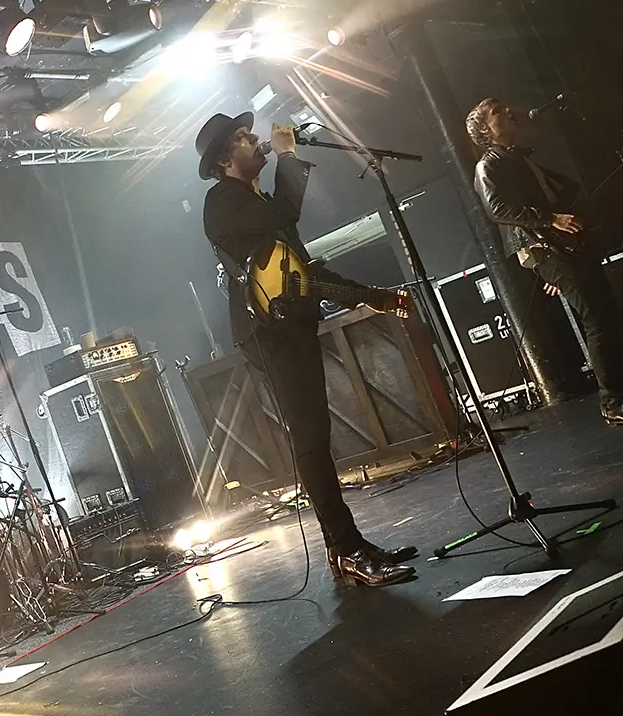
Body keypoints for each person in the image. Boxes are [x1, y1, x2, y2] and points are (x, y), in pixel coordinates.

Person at [197, 112, 417, 587]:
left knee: (316, 436)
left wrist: (375, 296)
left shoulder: (261, 206)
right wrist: (289, 156)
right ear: (223, 158)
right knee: (311, 439)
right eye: (242, 138)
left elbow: (307, 274)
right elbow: (287, 214)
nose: (255, 139)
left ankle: (345, 547)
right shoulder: (223, 202)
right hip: (268, 335)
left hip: (292, 325)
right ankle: (347, 547)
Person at [467, 98, 623, 425]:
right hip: (542, 247)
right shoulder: (488, 165)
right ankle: (612, 402)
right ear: (485, 129)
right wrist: (550, 219)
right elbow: (498, 210)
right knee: (596, 319)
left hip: (562, 247)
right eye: (498, 112)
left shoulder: (519, 157)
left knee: (607, 314)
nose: (509, 111)